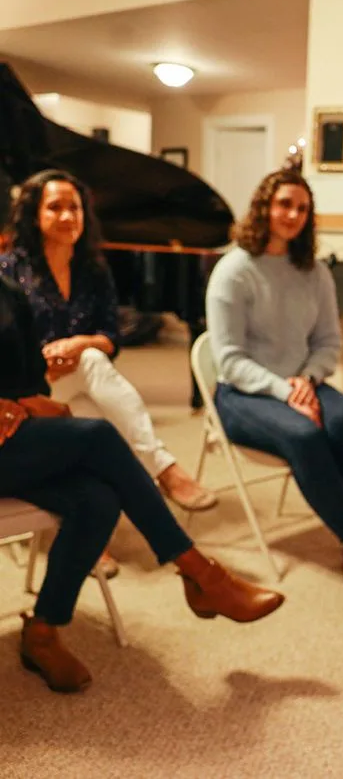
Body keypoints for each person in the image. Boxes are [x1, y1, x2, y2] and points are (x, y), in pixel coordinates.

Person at [0, 272, 285, 694]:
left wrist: (27, 400)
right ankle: (200, 574)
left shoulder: (8, 291)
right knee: (97, 438)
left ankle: (42, 633)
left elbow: (28, 378)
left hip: (14, 439)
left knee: (96, 499)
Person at [205, 168, 343, 611]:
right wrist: (285, 391)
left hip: (302, 382)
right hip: (243, 394)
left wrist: (307, 380)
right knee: (305, 435)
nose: (292, 214)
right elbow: (230, 360)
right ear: (265, 207)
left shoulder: (314, 272)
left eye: (301, 208)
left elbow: (328, 341)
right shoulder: (233, 271)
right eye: (284, 204)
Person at [1, 170, 218, 576]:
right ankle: (163, 470)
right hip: (28, 393)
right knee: (99, 416)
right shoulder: (10, 269)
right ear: (34, 215)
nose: (68, 216)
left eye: (75, 207)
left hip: (79, 382)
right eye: (55, 207)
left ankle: (84, 530)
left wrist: (79, 344)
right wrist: (41, 359)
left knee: (94, 390)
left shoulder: (95, 269)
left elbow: (110, 337)